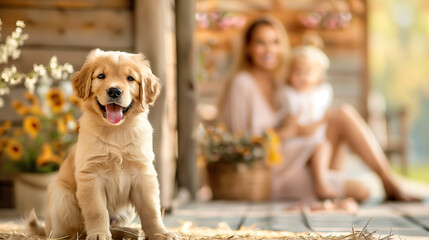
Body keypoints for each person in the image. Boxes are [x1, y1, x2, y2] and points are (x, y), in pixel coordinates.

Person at [218, 16, 419, 202]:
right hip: (271, 172)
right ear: (248, 48)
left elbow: (303, 116)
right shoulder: (242, 84)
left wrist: (310, 124)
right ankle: (330, 184)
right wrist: (288, 133)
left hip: (302, 156)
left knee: (342, 114)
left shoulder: (280, 85)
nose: (270, 50)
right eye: (261, 43)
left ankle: (389, 181)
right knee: (361, 191)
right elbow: (240, 146)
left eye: (275, 42)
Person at [277, 38, 337, 199]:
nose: (302, 77)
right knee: (322, 146)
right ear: (289, 75)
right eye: (297, 72)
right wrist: (319, 122)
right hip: (298, 142)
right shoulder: (290, 96)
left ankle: (328, 179)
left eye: (307, 72)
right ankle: (321, 184)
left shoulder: (322, 93)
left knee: (325, 146)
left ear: (318, 76)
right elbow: (295, 127)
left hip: (315, 139)